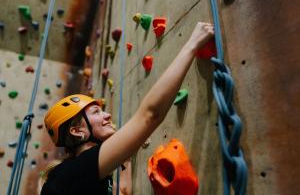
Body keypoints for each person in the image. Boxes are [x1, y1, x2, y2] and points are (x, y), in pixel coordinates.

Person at [41, 22, 214, 195]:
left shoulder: (86, 175)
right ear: (77, 131)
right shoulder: (69, 174)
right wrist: (192, 44)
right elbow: (150, 115)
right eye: (96, 112)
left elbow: (122, 191)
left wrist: (126, 156)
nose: (107, 115)